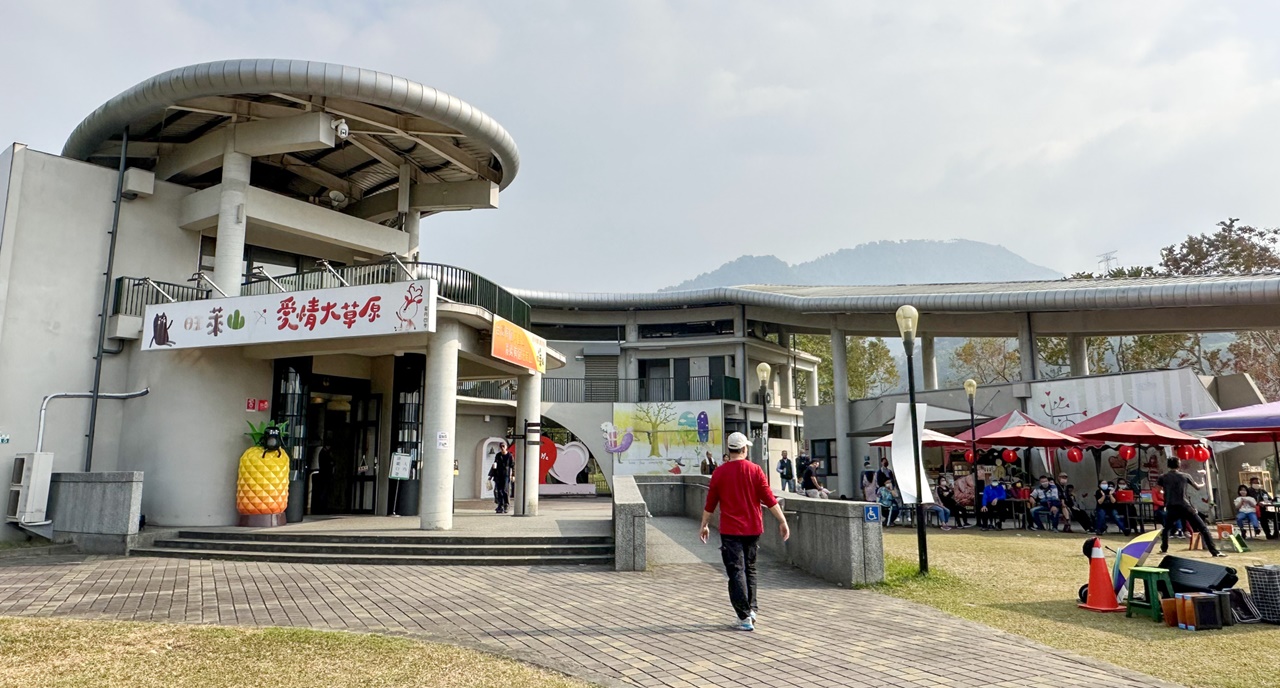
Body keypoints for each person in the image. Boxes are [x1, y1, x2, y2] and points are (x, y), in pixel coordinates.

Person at [699, 432, 789, 632]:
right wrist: (782, 520)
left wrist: (704, 524)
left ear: (729, 450)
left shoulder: (719, 473)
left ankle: (744, 615)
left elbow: (711, 503)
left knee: (736, 571)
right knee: (750, 568)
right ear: (744, 449)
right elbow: (769, 499)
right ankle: (752, 609)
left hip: (730, 529)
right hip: (753, 528)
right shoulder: (755, 470)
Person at [1157, 458, 1225, 557]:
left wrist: (1167, 493)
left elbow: (1159, 491)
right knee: (1203, 528)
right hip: (1184, 505)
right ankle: (1214, 551)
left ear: (1168, 465)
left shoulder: (1163, 477)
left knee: (1166, 529)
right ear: (1179, 465)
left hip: (1171, 506)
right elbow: (1198, 487)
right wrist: (1203, 479)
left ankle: (1164, 549)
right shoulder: (1185, 476)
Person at [488, 442, 515, 514]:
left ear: (506, 447)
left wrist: (513, 475)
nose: (502, 448)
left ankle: (506, 505)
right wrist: (491, 475)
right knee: (498, 491)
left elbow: (513, 466)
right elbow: (495, 464)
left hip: (506, 475)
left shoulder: (510, 455)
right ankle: (500, 505)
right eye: (501, 446)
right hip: (498, 475)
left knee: (505, 491)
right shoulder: (498, 455)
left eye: (503, 446)